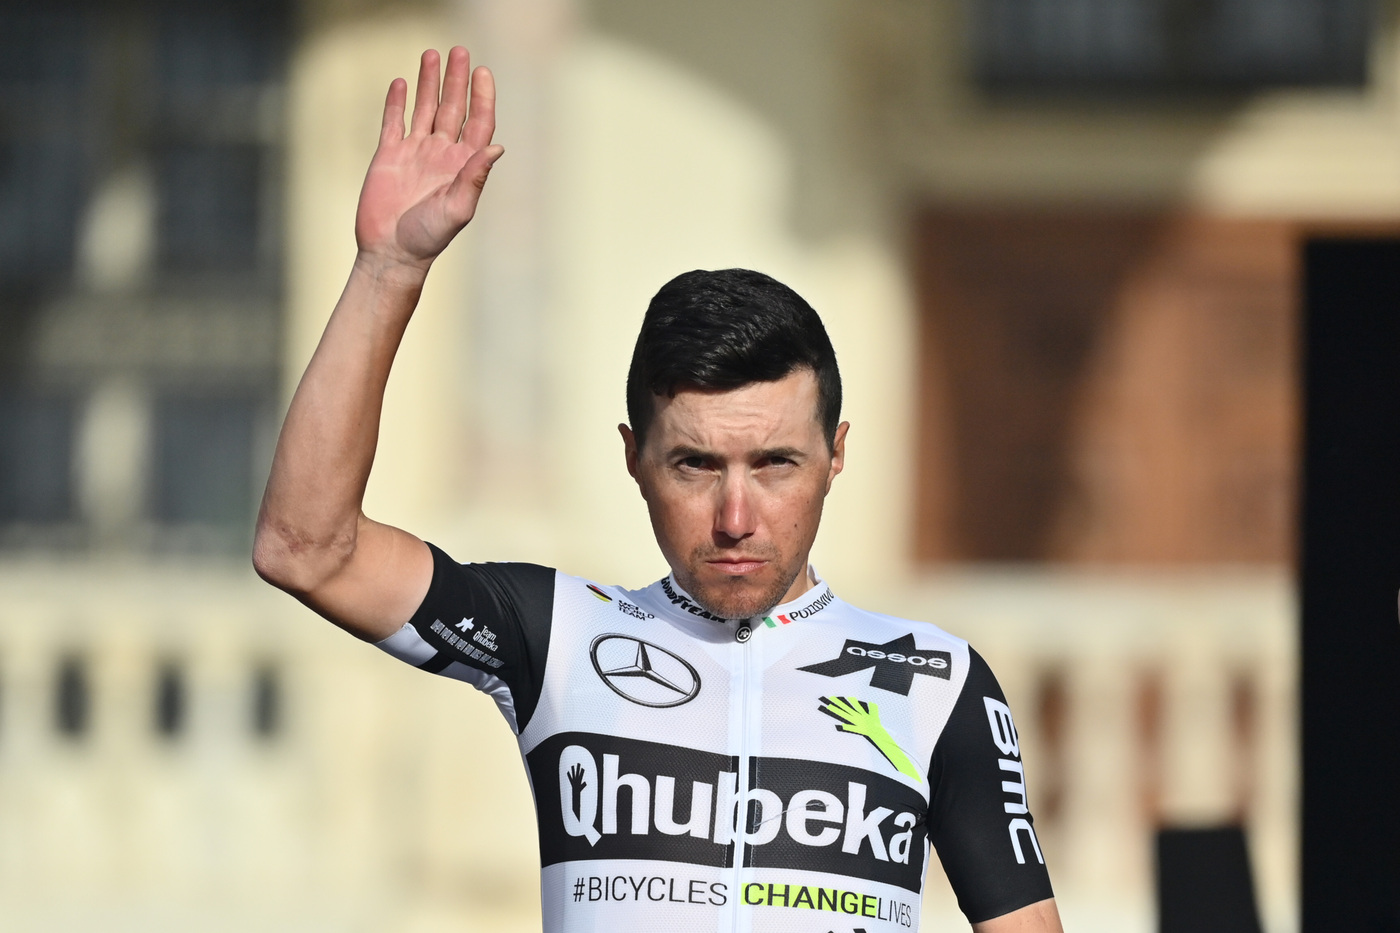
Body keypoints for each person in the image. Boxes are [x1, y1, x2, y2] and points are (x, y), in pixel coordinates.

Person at [253, 46, 1063, 933]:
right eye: (695, 465)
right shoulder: (556, 635)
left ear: (836, 456)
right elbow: (305, 549)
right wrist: (387, 271)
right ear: (635, 458)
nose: (736, 517)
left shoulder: (938, 681)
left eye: (776, 464)